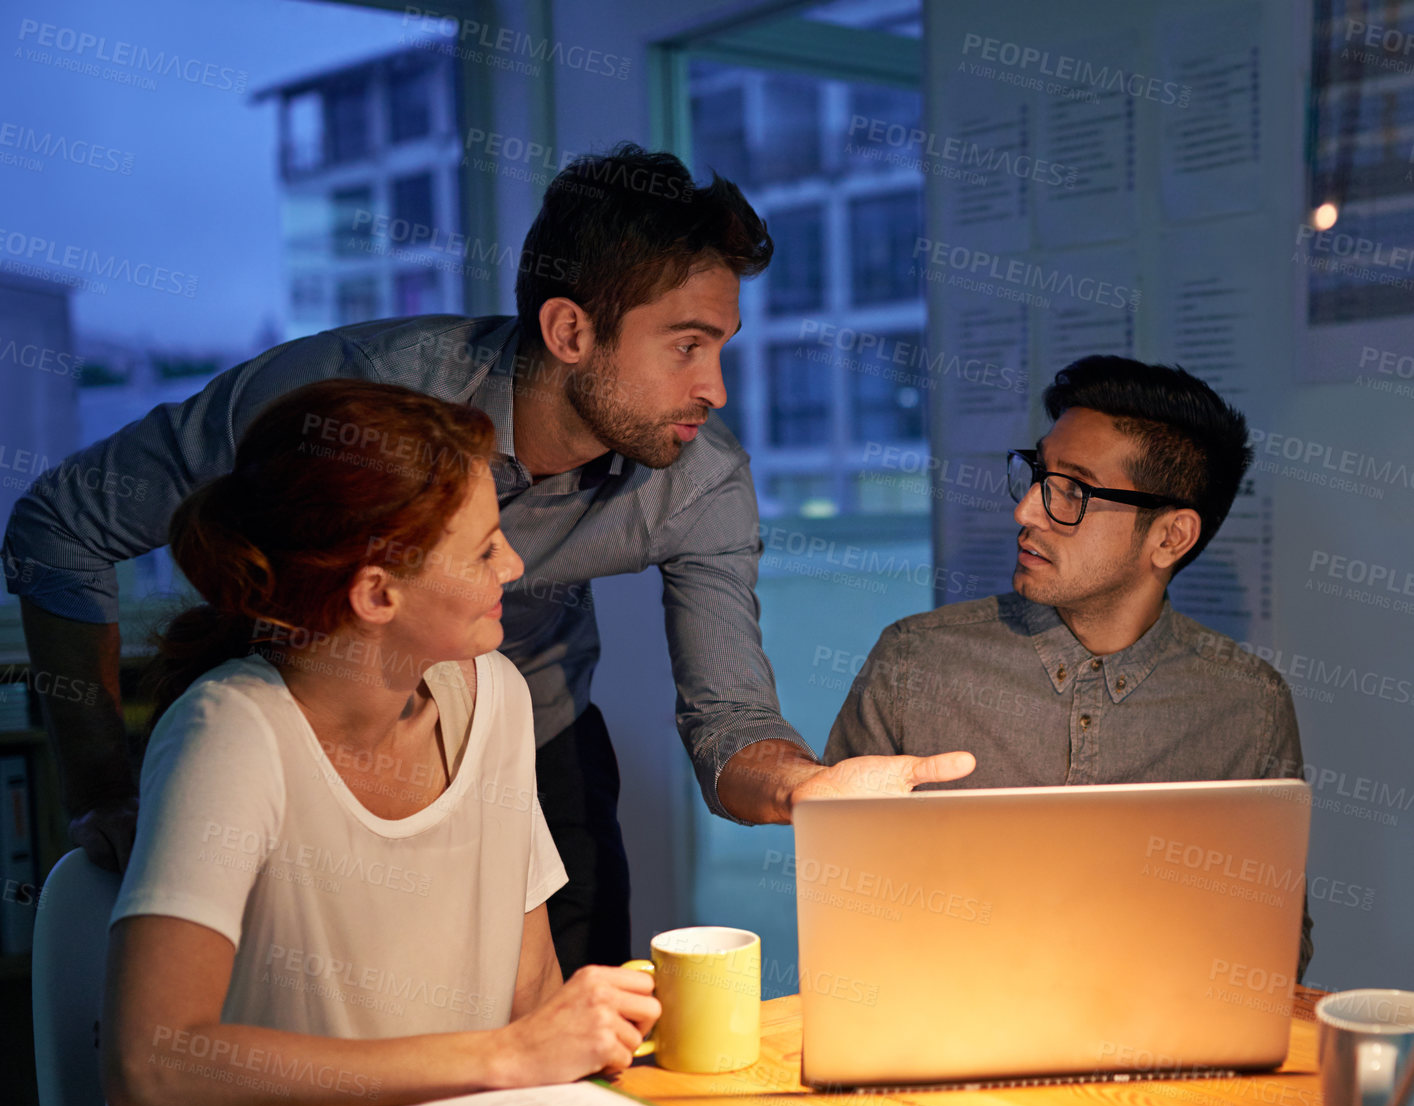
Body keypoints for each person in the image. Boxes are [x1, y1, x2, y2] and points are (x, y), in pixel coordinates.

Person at [6, 142, 972, 977]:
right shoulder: (342, 401)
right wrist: (99, 784)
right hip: (304, 747)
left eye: (721, 348)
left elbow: (731, 723)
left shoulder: (699, 480)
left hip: (532, 746)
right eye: (686, 346)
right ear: (569, 331)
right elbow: (57, 526)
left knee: (574, 1045)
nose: (714, 388)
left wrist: (804, 790)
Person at [103, 379, 666, 1106]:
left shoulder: (496, 699)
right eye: (483, 550)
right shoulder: (231, 733)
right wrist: (499, 1057)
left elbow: (530, 994)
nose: (512, 565)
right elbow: (151, 1073)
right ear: (376, 595)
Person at [825, 355, 1314, 979]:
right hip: (943, 1043)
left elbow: (1274, 945)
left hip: (1161, 1061)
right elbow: (839, 907)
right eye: (1038, 475)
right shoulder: (916, 661)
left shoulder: (1247, 704)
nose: (1026, 511)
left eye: (1072, 492)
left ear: (1170, 538)